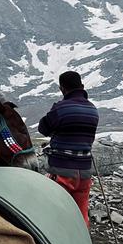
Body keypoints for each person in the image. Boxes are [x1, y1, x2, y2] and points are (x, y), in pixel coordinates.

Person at [38, 71, 100, 226]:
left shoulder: (61, 108)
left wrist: (55, 110)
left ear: (62, 89)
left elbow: (43, 128)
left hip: (62, 171)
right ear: (82, 86)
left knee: (55, 216)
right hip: (85, 173)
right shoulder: (93, 110)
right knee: (81, 217)